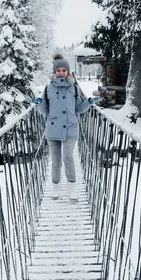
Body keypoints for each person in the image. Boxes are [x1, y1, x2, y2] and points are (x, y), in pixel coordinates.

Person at [31, 53, 100, 200]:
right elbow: (45, 111)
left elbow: (79, 109)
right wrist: (39, 103)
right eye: (58, 71)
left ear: (68, 71)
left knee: (68, 157)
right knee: (55, 161)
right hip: (53, 129)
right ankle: (55, 187)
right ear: (54, 73)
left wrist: (89, 102)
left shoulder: (74, 88)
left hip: (71, 127)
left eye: (64, 70)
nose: (61, 73)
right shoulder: (48, 89)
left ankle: (72, 188)